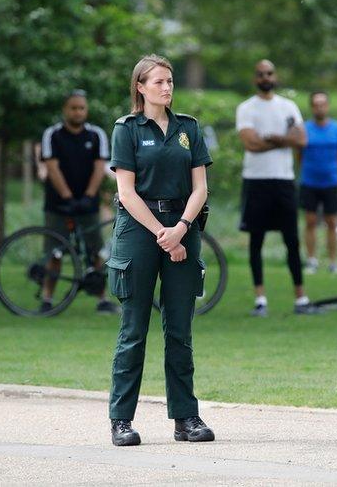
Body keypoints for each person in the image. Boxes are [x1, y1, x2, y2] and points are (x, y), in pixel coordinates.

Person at [107, 54, 213, 446]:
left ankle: (186, 418)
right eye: (158, 82)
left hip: (183, 225)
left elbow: (199, 186)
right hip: (138, 231)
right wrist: (161, 234)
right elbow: (126, 192)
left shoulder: (188, 128)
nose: (166, 88)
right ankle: (121, 419)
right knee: (133, 329)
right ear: (140, 87)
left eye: (169, 81)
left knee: (180, 331)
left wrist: (181, 228)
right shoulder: (127, 129)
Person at [236, 59, 310, 317]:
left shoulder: (288, 106)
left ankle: (301, 299)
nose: (265, 77)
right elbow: (251, 144)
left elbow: (301, 139)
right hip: (256, 180)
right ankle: (260, 299)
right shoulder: (246, 108)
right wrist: (284, 140)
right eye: (260, 74)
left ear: (274, 75)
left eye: (269, 73)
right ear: (255, 78)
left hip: (283, 180)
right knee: (256, 240)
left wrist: (274, 138)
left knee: (292, 239)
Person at [40, 90, 116, 314]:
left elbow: (99, 167)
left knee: (95, 251)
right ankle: (47, 298)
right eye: (73, 108)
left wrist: (89, 196)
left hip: (87, 204)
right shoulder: (52, 135)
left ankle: (101, 299)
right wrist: (67, 197)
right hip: (57, 204)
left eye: (81, 108)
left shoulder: (96, 135)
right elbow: (52, 168)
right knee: (54, 253)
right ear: (65, 110)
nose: (77, 112)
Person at [299, 91, 337, 274]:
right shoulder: (304, 129)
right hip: (309, 181)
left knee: (332, 222)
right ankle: (311, 260)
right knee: (310, 221)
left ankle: (333, 262)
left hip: (331, 182)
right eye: (316, 104)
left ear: (328, 106)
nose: (320, 107)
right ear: (312, 107)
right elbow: (299, 155)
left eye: (323, 104)